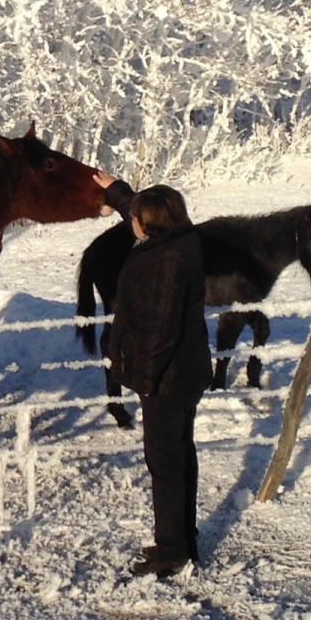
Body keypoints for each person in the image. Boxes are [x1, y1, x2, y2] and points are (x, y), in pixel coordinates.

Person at [94, 174, 213, 579]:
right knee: (180, 454)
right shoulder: (183, 241)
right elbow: (148, 209)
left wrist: (143, 379)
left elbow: (162, 327)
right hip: (183, 372)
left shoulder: (165, 260)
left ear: (150, 223)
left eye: (136, 217)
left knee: (164, 462)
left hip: (166, 378)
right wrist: (118, 192)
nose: (131, 222)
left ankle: (171, 552)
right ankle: (182, 539)